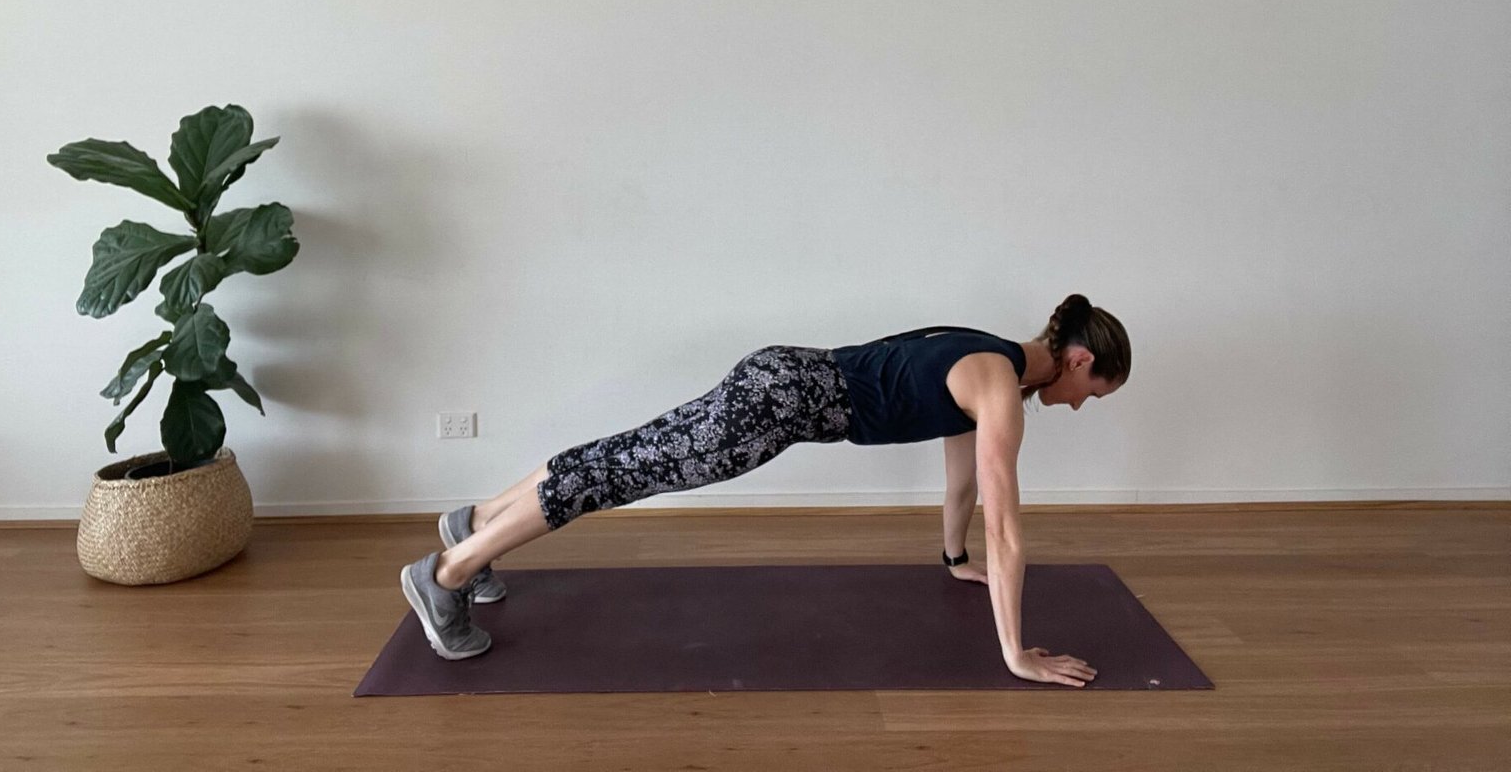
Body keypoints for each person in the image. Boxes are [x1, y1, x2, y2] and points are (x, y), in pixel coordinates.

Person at [400, 292, 1130, 686]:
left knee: (622, 454)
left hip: (779, 378)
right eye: (1093, 390)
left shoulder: (985, 359)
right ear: (1075, 359)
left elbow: (964, 478)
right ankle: (446, 575)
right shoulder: (999, 385)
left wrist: (950, 559)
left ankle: (477, 521)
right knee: (622, 472)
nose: (1083, 405)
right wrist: (1015, 654)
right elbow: (1007, 527)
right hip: (778, 407)